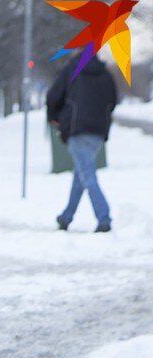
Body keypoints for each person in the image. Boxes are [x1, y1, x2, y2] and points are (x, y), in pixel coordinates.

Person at [46, 54, 118, 233]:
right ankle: (66, 217)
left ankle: (104, 218)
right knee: (81, 176)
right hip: (98, 132)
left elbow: (54, 95)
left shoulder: (71, 69)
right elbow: (114, 99)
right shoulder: (105, 73)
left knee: (87, 175)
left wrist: (54, 117)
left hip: (76, 128)